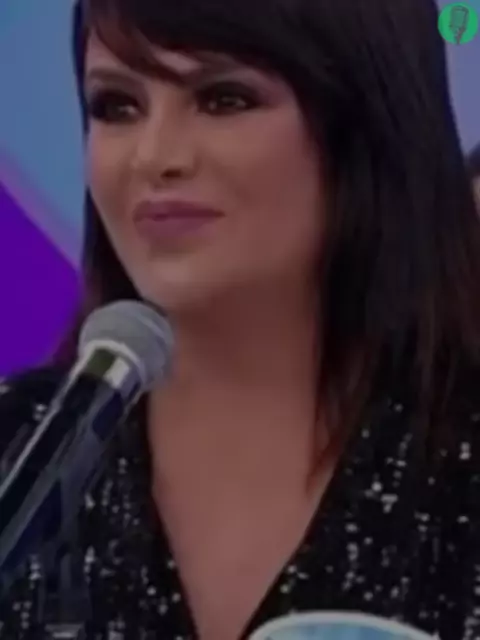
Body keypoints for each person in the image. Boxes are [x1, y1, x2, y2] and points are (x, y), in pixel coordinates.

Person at [1, 0, 480, 638]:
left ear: (369, 120)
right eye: (117, 106)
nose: (154, 156)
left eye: (224, 99)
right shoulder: (18, 448)